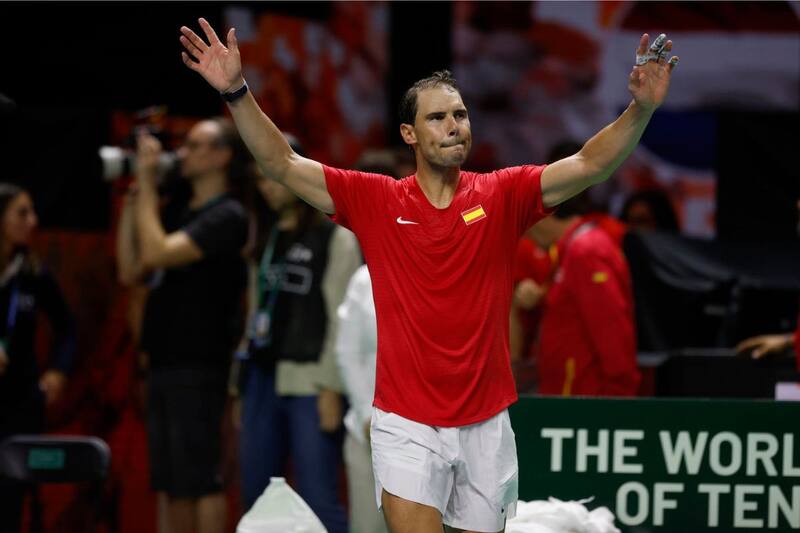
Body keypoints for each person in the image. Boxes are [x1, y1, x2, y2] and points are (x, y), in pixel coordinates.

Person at [179, 18, 678, 533]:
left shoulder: (502, 195)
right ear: (409, 134)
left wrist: (640, 110)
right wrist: (237, 92)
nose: (454, 125)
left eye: (460, 114)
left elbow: (590, 163)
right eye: (438, 117)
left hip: (486, 422)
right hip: (406, 422)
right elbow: (281, 162)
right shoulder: (374, 199)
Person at [116, 118, 250, 533]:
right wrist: (136, 198)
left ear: (222, 157)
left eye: (195, 145)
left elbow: (158, 253)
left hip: (199, 363)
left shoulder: (228, 215)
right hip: (162, 360)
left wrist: (147, 183)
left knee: (201, 480)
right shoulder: (176, 208)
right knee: (170, 482)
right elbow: (130, 269)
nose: (183, 154)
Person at [235, 136, 360, 533]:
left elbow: (342, 318)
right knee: (256, 497)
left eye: (272, 174)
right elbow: (255, 314)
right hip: (260, 378)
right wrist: (238, 387)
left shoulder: (335, 237)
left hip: (310, 382)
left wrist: (331, 385)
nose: (268, 185)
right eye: (260, 178)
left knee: (318, 498)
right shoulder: (264, 240)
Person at [0, 184, 76, 533]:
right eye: (22, 212)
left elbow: (67, 327)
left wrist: (58, 371)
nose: (33, 220)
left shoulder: (33, 273)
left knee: (11, 501)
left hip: (19, 405)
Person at [523, 194, 640, 396]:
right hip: (570, 400)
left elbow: (613, 335)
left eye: (522, 218)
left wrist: (619, 406)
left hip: (586, 406)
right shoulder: (570, 250)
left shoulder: (586, 251)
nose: (524, 233)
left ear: (542, 213)